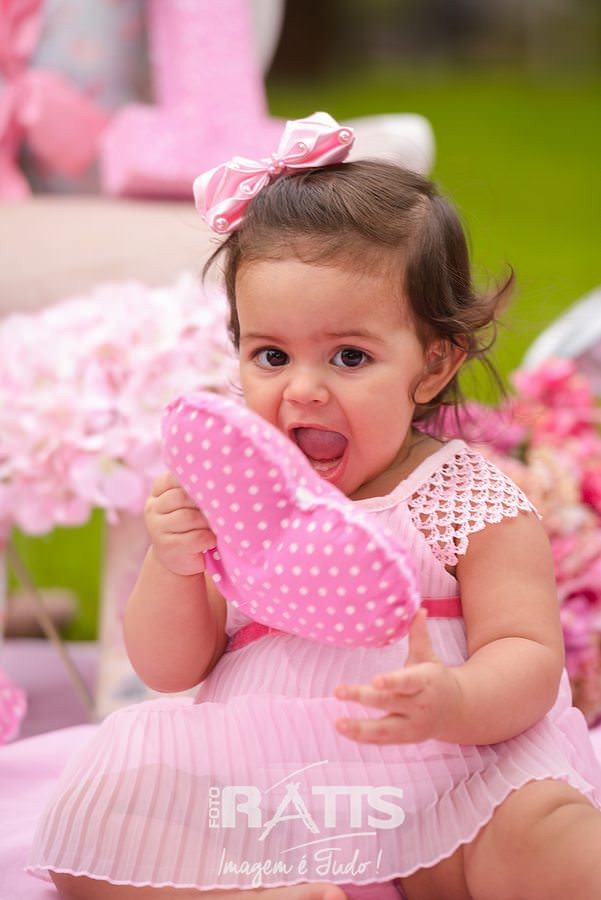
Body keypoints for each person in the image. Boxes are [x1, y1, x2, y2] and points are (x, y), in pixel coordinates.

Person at [28, 112, 601, 900]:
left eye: (349, 356)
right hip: (265, 798)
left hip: (449, 782)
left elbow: (528, 656)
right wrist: (174, 562)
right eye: (270, 355)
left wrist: (454, 701)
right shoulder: (232, 499)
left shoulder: (462, 496)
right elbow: (169, 668)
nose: (301, 389)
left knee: (544, 833)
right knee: (101, 826)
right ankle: (267, 894)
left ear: (433, 365)